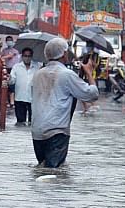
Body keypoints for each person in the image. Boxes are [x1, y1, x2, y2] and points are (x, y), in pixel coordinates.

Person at [30, 37, 99, 167]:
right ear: (64, 54)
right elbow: (92, 95)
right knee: (53, 173)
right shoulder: (67, 74)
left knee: (43, 168)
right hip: (57, 132)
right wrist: (89, 73)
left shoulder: (37, 74)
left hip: (37, 132)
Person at [8, 47, 39, 126]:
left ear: (31, 57)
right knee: (20, 122)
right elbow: (12, 81)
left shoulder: (37, 67)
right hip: (19, 98)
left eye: (29, 56)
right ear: (22, 56)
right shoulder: (16, 67)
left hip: (33, 98)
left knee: (33, 123)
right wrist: (8, 78)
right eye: (25, 56)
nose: (27, 58)